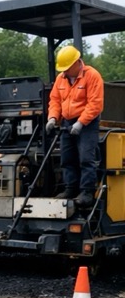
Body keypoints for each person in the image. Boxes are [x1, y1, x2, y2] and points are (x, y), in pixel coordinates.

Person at [46, 45, 104, 207]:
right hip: (67, 122)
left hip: (87, 123)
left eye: (67, 68)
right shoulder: (61, 79)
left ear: (77, 63)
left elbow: (95, 104)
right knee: (67, 158)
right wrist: (52, 118)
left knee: (86, 158)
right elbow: (55, 100)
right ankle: (71, 188)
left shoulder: (92, 76)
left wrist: (81, 122)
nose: (64, 72)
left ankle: (87, 192)